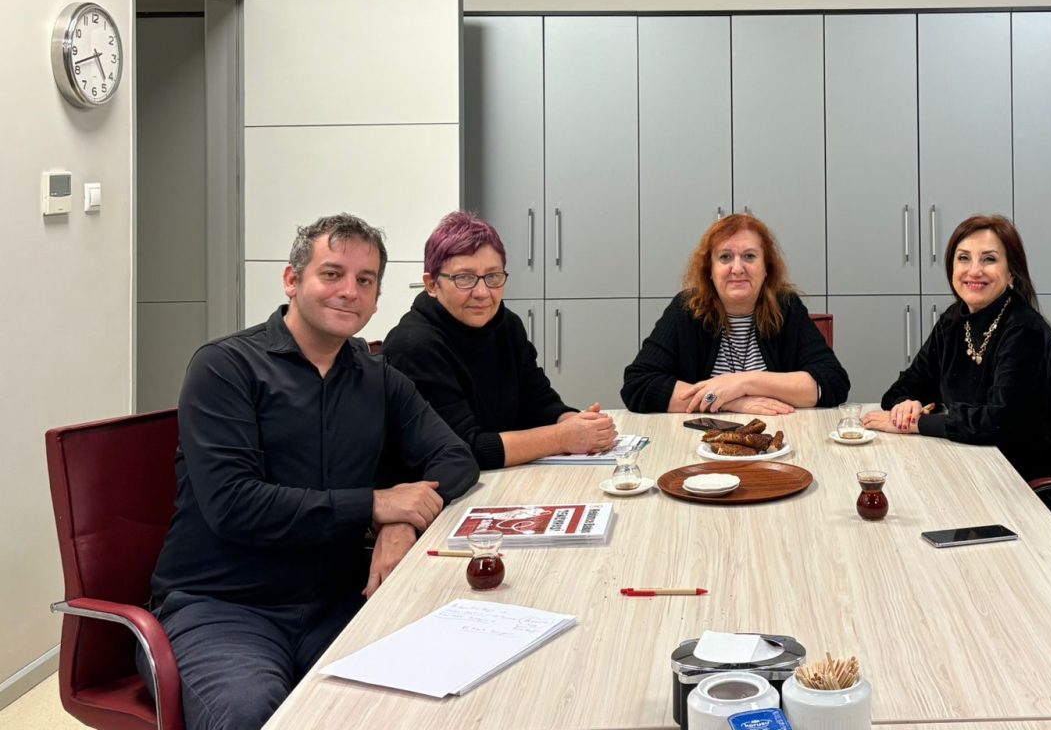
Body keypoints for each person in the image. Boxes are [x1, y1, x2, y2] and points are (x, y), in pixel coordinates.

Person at [147, 214, 479, 730]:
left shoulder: (377, 377)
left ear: (376, 298)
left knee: (435, 693)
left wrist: (400, 521)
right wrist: (374, 504)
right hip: (225, 607)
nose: (349, 291)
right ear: (292, 280)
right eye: (332, 274)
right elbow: (235, 505)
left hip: (336, 600)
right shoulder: (225, 368)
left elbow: (455, 458)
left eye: (365, 280)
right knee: (251, 715)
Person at [383, 211, 617, 467]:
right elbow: (463, 450)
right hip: (445, 487)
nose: (482, 292)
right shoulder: (413, 345)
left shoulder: (506, 325)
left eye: (493, 276)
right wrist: (562, 438)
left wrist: (577, 423)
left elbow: (540, 403)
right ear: (431, 284)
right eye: (464, 278)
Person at [865, 214, 1051, 490]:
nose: (974, 271)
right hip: (965, 466)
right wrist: (907, 405)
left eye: (989, 259)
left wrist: (919, 423)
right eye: (963, 258)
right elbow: (900, 389)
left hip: (1020, 483)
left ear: (1011, 273)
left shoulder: (1025, 330)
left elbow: (998, 422)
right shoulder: (954, 320)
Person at [622, 213, 849, 413]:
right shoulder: (685, 309)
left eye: (749, 256)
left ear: (766, 268)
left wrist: (744, 383)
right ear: (710, 270)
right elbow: (638, 384)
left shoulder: (787, 307)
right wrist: (730, 402)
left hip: (779, 436)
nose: (737, 269)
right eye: (725, 257)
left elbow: (833, 382)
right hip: (700, 439)